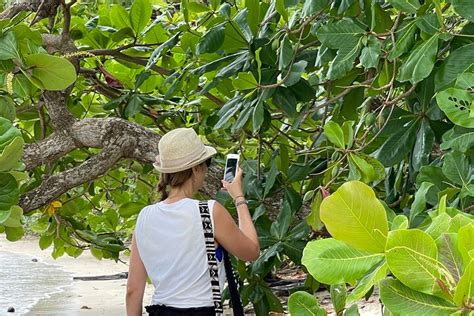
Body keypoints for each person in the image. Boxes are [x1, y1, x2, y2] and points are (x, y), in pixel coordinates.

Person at [126, 127, 260, 316]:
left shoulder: (145, 216)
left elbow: (133, 291)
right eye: (206, 163)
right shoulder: (209, 211)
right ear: (196, 168)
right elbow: (251, 252)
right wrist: (238, 196)